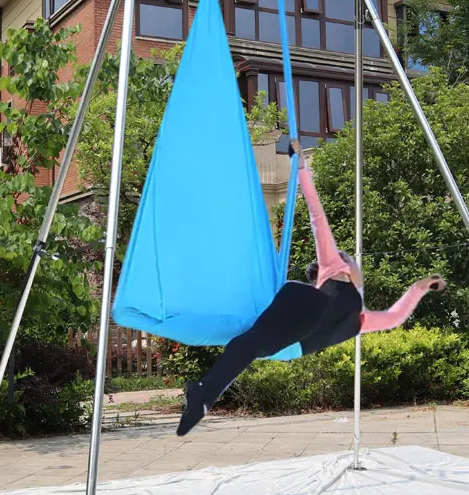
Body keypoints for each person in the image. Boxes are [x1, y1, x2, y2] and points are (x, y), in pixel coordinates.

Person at [177, 142, 447, 436]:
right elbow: (318, 217)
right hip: (290, 335)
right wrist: (301, 168)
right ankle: (203, 395)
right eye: (346, 257)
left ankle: (207, 387)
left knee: (269, 324)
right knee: (244, 342)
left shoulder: (361, 318)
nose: (347, 257)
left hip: (292, 344)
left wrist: (420, 288)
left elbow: (395, 317)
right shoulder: (333, 266)